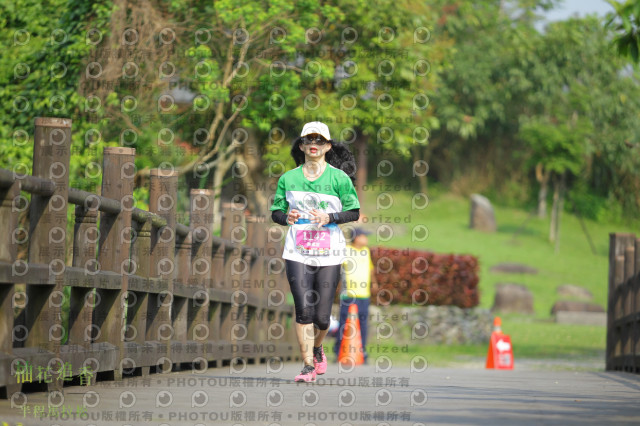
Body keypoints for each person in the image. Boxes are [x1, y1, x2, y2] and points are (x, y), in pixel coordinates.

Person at [270, 121, 360, 382]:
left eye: (319, 140)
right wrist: (287, 217)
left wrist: (329, 216)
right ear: (301, 145)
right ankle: (308, 365)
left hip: (329, 253)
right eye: (309, 139)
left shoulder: (339, 178)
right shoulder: (288, 178)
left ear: (328, 146)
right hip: (297, 251)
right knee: (303, 311)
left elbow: (354, 212)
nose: (314, 144)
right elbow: (276, 212)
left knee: (321, 318)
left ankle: (318, 347)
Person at [333, 227, 376, 364]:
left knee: (363, 324)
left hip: (364, 295)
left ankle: (362, 351)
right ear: (356, 238)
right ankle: (338, 351)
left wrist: (374, 283)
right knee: (344, 323)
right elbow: (338, 269)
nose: (366, 239)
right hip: (348, 295)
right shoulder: (346, 250)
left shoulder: (366, 251)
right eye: (364, 236)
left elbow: (370, 269)